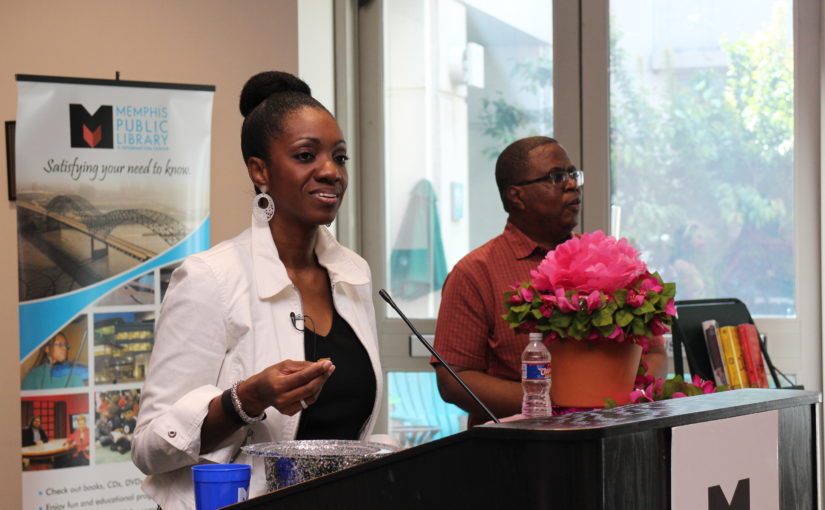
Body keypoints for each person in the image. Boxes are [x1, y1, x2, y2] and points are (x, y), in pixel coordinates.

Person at [132, 71, 383, 509]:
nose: (330, 171)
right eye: (307, 155)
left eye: (339, 158)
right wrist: (246, 399)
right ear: (260, 170)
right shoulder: (211, 278)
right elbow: (149, 449)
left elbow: (361, 430)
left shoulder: (353, 274)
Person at [433, 136, 667, 427]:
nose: (572, 184)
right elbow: (453, 379)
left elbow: (655, 352)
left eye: (573, 174)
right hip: (516, 450)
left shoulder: (607, 260)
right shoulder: (475, 273)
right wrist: (552, 401)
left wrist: (622, 399)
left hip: (611, 437)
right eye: (557, 177)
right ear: (517, 196)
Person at [22, 332, 88, 390]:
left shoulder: (72, 374)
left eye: (66, 345)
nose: (65, 348)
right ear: (47, 349)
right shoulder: (33, 375)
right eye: (60, 344)